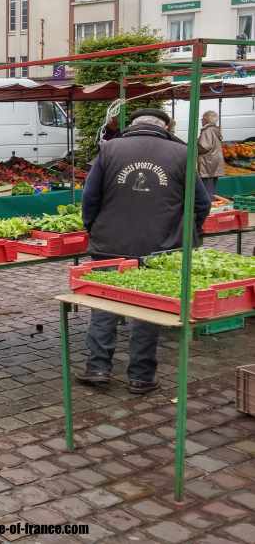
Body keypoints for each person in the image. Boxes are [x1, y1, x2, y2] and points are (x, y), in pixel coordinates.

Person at [79, 108, 211, 395]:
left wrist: (93, 228)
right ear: (164, 127)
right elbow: (201, 203)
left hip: (110, 243)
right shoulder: (181, 153)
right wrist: (190, 232)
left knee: (105, 303)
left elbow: (89, 198)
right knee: (147, 309)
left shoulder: (109, 148)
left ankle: (98, 368)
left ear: (133, 126)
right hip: (160, 246)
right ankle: (141, 377)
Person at [197, 111, 224, 199]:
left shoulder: (207, 130)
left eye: (202, 118)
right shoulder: (215, 130)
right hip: (215, 161)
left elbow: (205, 146)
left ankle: (207, 207)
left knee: (206, 187)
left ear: (206, 119)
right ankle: (211, 204)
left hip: (208, 162)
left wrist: (194, 149)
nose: (201, 120)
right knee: (212, 187)